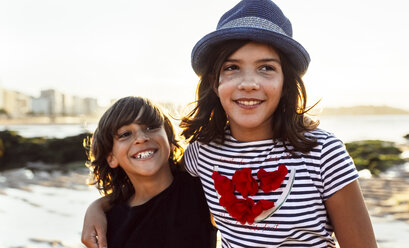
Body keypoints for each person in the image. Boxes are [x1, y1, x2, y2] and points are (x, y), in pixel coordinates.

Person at [82, 0, 378, 247]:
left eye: (266, 68)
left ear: (286, 81)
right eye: (232, 68)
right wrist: (98, 207)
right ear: (215, 81)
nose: (249, 84)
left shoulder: (323, 151)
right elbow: (155, 188)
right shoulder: (202, 153)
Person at [82, 96, 216, 248]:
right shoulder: (109, 223)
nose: (141, 138)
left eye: (151, 127)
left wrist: (97, 206)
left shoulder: (200, 186)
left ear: (170, 141)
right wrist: (97, 207)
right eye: (125, 134)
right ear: (112, 158)